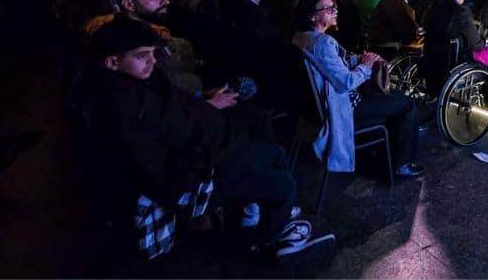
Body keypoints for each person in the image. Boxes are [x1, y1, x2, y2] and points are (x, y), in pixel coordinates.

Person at [84, 17, 327, 257]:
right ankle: (266, 242)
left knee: (275, 153)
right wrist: (209, 141)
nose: (152, 61)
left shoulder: (143, 82)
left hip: (203, 161)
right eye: (142, 56)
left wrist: (204, 105)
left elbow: (179, 113)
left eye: (152, 53)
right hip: (189, 183)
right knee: (284, 186)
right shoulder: (121, 107)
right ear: (113, 62)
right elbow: (162, 162)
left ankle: (255, 216)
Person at [293, 0, 424, 178]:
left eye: (334, 6)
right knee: (406, 103)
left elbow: (333, 66)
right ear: (312, 16)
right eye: (328, 8)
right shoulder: (322, 43)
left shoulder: (302, 38)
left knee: (391, 98)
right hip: (343, 107)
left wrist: (360, 60)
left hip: (318, 108)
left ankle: (384, 155)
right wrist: (366, 66)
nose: (335, 11)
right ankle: (402, 163)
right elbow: (345, 82)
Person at [421, 0, 485, 98]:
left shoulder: (431, 11)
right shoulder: (462, 13)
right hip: (454, 67)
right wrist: (483, 41)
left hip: (429, 66)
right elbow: (476, 45)